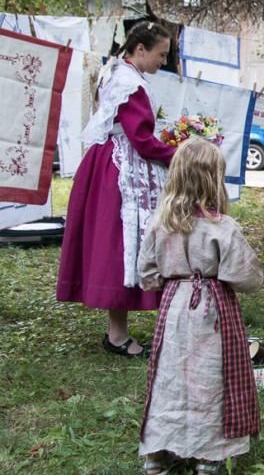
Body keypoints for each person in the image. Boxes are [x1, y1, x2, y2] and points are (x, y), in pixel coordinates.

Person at [137, 137, 262, 475]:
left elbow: (146, 274)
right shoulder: (222, 228)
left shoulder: (159, 224)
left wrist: (169, 281)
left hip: (174, 309)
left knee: (171, 377)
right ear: (214, 180)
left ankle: (158, 454)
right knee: (210, 377)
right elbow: (247, 276)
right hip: (213, 311)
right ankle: (208, 456)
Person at [57, 21, 176, 357]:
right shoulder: (129, 83)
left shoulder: (117, 72)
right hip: (123, 171)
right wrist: (179, 154)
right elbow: (140, 140)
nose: (162, 62)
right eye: (160, 54)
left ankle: (118, 331)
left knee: (121, 245)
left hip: (109, 163)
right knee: (124, 244)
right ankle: (117, 334)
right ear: (140, 49)